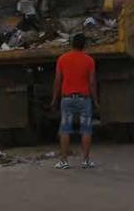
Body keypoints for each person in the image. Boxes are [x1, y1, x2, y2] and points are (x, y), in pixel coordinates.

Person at [50, 33, 99, 169]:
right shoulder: (89, 60)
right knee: (86, 130)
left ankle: (64, 161)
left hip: (66, 99)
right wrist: (95, 101)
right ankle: (86, 160)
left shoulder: (62, 59)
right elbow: (92, 83)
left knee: (65, 129)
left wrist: (54, 99)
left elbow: (58, 81)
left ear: (72, 44)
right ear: (84, 45)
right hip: (84, 100)